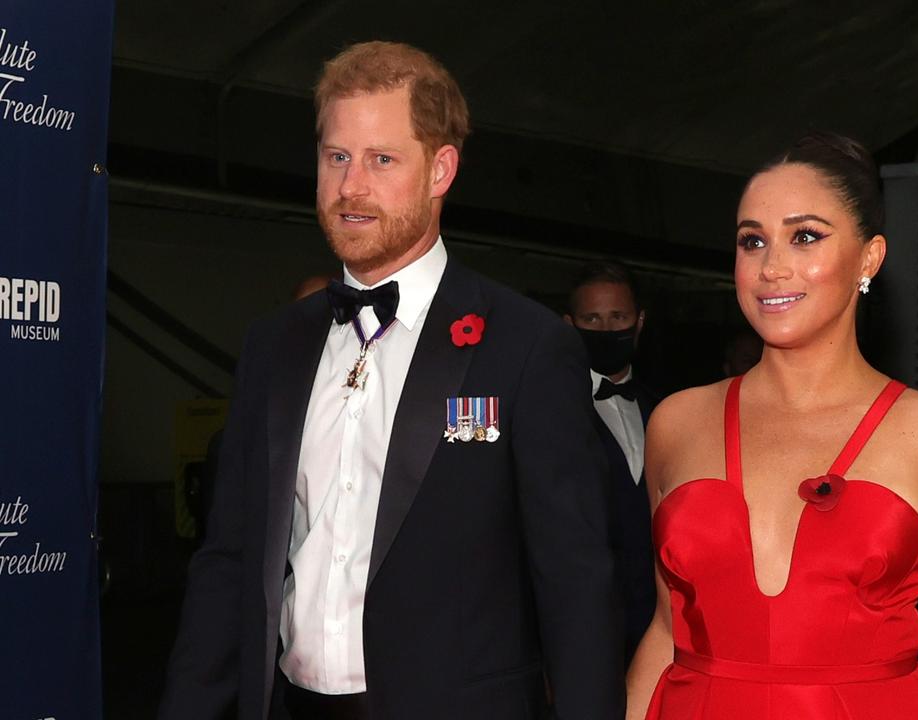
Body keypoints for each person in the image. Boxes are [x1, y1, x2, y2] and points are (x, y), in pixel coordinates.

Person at [159, 41, 624, 720]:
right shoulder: (274, 344)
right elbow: (228, 560)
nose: (351, 186)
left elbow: (576, 585)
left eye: (382, 159)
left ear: (441, 170)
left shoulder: (526, 346)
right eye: (336, 157)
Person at [626, 132, 918, 719]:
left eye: (805, 236)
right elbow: (666, 628)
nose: (772, 267)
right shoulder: (676, 422)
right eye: (751, 240)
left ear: (869, 258)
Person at [564, 261, 659, 662]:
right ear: (569, 325)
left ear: (639, 322)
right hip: (579, 637)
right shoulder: (548, 410)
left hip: (659, 633)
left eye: (617, 316)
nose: (606, 330)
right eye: (592, 318)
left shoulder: (667, 410)